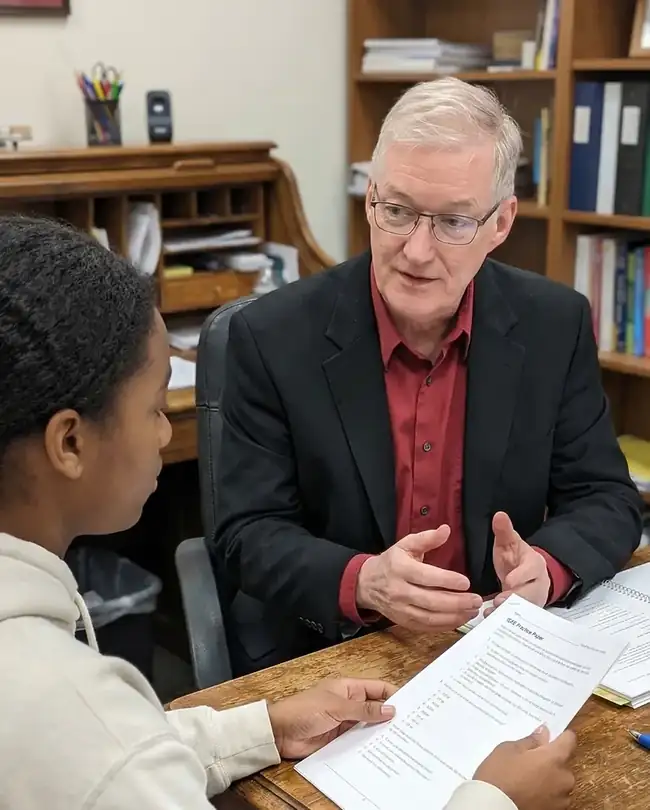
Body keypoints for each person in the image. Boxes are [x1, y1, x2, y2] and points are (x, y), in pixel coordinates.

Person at [0, 215, 577, 810]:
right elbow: (107, 756)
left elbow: (111, 753)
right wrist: (497, 799)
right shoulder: (78, 715)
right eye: (154, 408)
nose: (166, 433)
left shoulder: (75, 716)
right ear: (70, 442)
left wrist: (262, 729)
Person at [213, 76, 643, 674]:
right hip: (332, 654)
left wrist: (546, 568)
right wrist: (363, 580)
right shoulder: (272, 336)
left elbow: (606, 497)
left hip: (497, 645)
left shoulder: (554, 324)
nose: (416, 251)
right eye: (397, 211)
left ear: (501, 223)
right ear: (370, 200)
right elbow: (245, 533)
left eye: (453, 222)